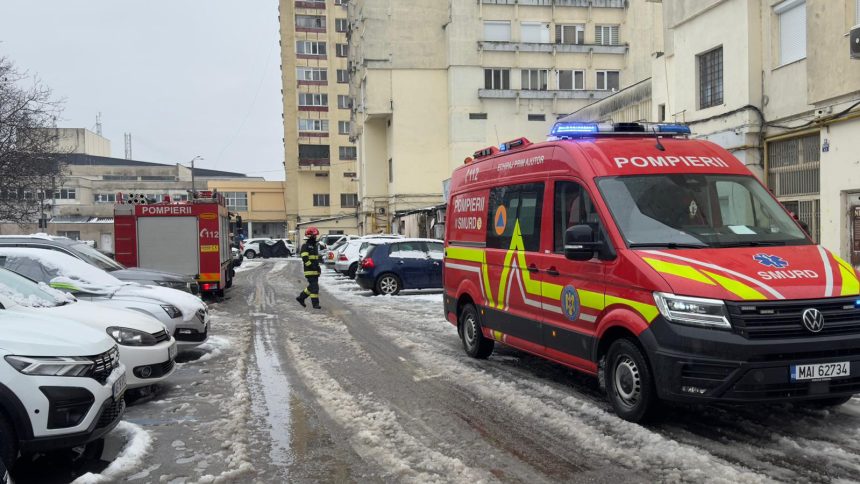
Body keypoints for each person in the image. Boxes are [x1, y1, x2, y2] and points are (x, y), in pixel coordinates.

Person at [296, 226, 322, 309]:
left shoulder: (314, 246)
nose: (315, 237)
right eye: (314, 236)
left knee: (313, 287)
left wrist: (318, 267)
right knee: (314, 287)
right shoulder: (305, 246)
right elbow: (305, 258)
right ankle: (314, 304)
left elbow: (316, 259)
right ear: (309, 236)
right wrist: (311, 266)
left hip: (315, 271)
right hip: (309, 271)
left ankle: (301, 298)